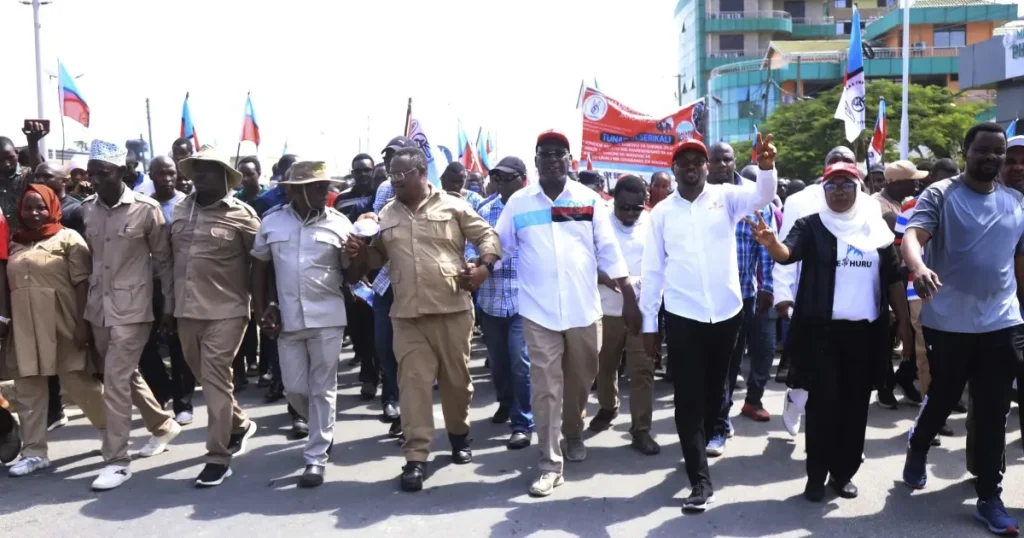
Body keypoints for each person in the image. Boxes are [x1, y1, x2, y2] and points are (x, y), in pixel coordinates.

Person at [749, 161, 912, 502]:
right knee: (823, 407)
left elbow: (894, 277)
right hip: (822, 333)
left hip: (865, 336)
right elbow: (787, 253)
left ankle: (843, 473)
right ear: (823, 191)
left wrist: (905, 324)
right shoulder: (812, 226)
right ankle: (816, 475)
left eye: (846, 184)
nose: (839, 191)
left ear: (859, 189)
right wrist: (771, 243)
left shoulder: (877, 229)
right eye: (832, 185)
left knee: (855, 407)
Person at [347, 146, 500, 493]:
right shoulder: (385, 214)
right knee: (412, 385)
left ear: (421, 173)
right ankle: (416, 456)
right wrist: (358, 254)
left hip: (453, 311)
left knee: (456, 383)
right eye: (391, 176)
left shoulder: (454, 205)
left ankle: (459, 435)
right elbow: (374, 260)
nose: (394, 181)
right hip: (407, 315)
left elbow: (487, 236)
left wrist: (482, 268)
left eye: (401, 175)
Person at [494, 130, 636, 498]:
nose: (553, 159)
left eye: (560, 153)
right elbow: (500, 246)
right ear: (536, 159)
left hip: (584, 311)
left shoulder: (589, 200)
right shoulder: (519, 204)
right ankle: (548, 463)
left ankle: (573, 431)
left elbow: (607, 250)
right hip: (538, 312)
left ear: (570, 160)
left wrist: (629, 294)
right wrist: (481, 265)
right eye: (546, 154)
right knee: (545, 386)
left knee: (579, 380)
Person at [640, 135, 777, 512]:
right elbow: (652, 271)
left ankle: (712, 430)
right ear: (673, 169)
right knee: (688, 397)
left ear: (706, 167)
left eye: (696, 161)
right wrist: (650, 325)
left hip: (727, 315)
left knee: (715, 392)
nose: (690, 166)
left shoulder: (726, 197)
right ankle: (699, 479)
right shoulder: (662, 214)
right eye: (682, 161)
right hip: (683, 316)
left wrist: (766, 168)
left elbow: (763, 196)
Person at [901, 123, 1023, 535]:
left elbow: (1017, 265)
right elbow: (913, 236)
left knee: (992, 411)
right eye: (983, 151)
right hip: (949, 323)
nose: (992, 158)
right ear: (966, 151)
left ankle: (989, 495)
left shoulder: (1015, 201)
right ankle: (918, 444)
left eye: (998, 152)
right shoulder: (941, 194)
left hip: (1002, 323)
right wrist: (918, 268)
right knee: (946, 395)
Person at [81, 139, 181, 491]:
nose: (95, 180)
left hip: (134, 309)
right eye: (92, 174)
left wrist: (168, 306)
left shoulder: (146, 209)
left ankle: (117, 460)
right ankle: (163, 425)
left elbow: (164, 262)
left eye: (103, 174)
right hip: (98, 309)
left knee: (116, 382)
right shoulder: (88, 210)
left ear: (121, 172)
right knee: (124, 375)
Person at [252, 160, 353, 488]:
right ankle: (320, 429)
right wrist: (262, 305)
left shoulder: (340, 224)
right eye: (318, 187)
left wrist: (360, 253)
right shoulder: (271, 222)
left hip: (328, 317)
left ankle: (316, 456)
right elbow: (259, 268)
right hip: (288, 319)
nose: (327, 192)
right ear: (295, 190)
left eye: (327, 186)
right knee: (295, 388)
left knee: (322, 387)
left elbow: (353, 273)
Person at [170, 147, 260, 487]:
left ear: (225, 175)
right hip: (186, 309)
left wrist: (264, 304)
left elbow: (262, 263)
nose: (200, 176)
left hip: (228, 310)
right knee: (204, 378)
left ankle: (217, 456)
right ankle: (239, 423)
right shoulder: (180, 209)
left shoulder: (244, 216)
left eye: (208, 170)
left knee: (216, 376)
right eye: (196, 169)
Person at [5, 185, 106, 477]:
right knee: (28, 390)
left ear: (53, 208)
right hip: (24, 326)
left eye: (41, 207)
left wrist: (83, 323)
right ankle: (35, 452)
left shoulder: (69, 238)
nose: (34, 213)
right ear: (20, 211)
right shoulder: (14, 243)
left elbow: (83, 284)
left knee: (79, 384)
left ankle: (111, 432)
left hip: (62, 322)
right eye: (28, 208)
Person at [705, 142, 777, 457]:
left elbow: (766, 243)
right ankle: (716, 421)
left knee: (730, 364)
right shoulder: (697, 196)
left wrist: (767, 286)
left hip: (743, 295)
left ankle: (719, 420)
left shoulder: (752, 195)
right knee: (710, 366)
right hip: (704, 297)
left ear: (735, 161)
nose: (721, 164)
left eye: (726, 159)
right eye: (715, 160)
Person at [589, 175, 659, 455]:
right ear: (613, 200)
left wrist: (643, 285)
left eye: (637, 208)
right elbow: (586, 260)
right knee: (606, 365)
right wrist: (605, 277)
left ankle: (641, 429)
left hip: (644, 310)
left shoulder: (654, 223)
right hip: (606, 309)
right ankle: (608, 407)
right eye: (624, 207)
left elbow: (663, 262)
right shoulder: (599, 221)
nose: (630, 213)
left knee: (643, 370)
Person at [475, 156, 535, 450]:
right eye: (496, 178)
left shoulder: (534, 206)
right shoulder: (484, 210)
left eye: (506, 177)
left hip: (523, 300)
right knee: (498, 363)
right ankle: (506, 402)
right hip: (489, 299)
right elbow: (468, 246)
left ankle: (523, 421)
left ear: (522, 178)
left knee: (520, 361)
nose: (499, 183)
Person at [367, 136, 421, 439]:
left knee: (413, 353)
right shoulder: (385, 190)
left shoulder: (431, 191)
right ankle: (393, 398)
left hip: (418, 283)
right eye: (388, 157)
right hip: (387, 281)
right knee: (385, 345)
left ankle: (409, 413)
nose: (391, 162)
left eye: (397, 156)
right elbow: (378, 230)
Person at [136, 156, 194, 425]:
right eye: (161, 173)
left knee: (178, 344)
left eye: (171, 173)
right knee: (144, 343)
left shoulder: (187, 205)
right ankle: (162, 390)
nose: (167, 178)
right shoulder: (142, 205)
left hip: (179, 282)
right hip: (148, 283)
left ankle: (183, 403)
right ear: (151, 175)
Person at [32, 161, 86, 429]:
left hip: (71, 294)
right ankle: (55, 411)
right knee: (47, 357)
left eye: (48, 176)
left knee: (79, 361)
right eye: (38, 175)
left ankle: (104, 412)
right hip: (42, 297)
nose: (41, 179)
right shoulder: (31, 212)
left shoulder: (76, 211)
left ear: (63, 181)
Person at [334, 154, 379, 398]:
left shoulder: (384, 201)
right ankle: (368, 370)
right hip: (355, 273)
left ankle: (376, 374)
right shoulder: (342, 201)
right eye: (358, 170)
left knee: (378, 329)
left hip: (381, 270)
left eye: (367, 170)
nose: (363, 174)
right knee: (359, 327)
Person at [232, 155, 266, 387]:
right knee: (243, 315)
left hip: (262, 264)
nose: (245, 179)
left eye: (249, 174)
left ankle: (257, 362)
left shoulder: (268, 199)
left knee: (258, 313)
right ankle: (241, 365)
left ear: (259, 174)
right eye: (241, 174)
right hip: (240, 267)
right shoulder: (236, 201)